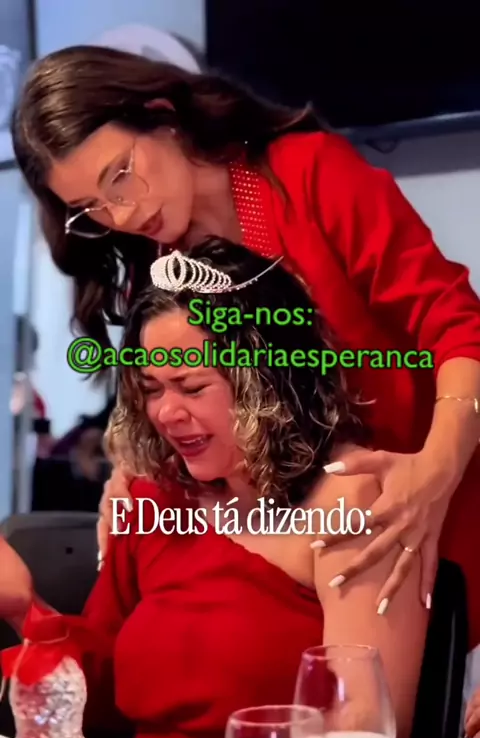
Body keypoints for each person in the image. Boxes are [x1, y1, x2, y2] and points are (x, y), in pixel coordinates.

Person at [11, 46, 480, 618]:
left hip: (417, 497)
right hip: (292, 546)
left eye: (122, 176)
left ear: (163, 116)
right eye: (91, 207)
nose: (123, 215)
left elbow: (458, 325)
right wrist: (132, 471)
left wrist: (435, 468)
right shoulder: (156, 267)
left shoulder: (306, 176)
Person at [3, 239, 428, 738]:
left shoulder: (350, 498)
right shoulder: (154, 497)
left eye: (192, 386)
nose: (166, 412)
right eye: (151, 389)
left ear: (270, 381)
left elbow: (364, 727)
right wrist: (27, 611)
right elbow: (98, 698)